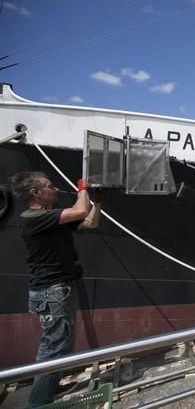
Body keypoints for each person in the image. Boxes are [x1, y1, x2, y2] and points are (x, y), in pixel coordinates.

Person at [10, 172, 101, 407]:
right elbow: (80, 211)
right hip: (51, 291)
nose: (57, 189)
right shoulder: (34, 218)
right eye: (50, 186)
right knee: (53, 345)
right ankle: (39, 402)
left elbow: (89, 221)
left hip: (58, 290)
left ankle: (51, 386)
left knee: (62, 342)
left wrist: (97, 202)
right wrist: (83, 188)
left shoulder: (50, 218)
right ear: (36, 193)